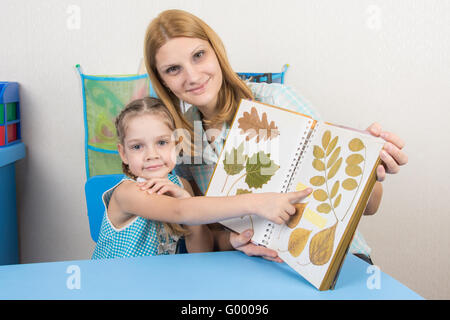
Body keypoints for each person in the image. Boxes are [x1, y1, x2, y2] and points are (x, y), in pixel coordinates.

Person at [141, 9, 408, 264]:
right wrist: (235, 240)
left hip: (330, 261)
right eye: (173, 69)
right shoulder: (183, 140)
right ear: (162, 80)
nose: (193, 75)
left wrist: (366, 168)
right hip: (256, 265)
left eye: (199, 55)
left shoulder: (277, 101)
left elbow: (370, 206)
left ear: (216, 51)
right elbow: (210, 232)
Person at [92, 97, 312, 259]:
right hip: (113, 287)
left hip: (158, 285)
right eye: (137, 146)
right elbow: (180, 211)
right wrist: (257, 202)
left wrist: (231, 240)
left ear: (177, 144)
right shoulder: (127, 193)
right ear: (123, 153)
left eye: (162, 142)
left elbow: (201, 250)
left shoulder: (181, 185)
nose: (152, 154)